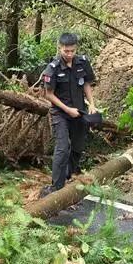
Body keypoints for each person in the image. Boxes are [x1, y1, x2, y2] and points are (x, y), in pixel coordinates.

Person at [42, 32, 98, 192]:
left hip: (80, 111)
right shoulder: (52, 68)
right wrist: (67, 109)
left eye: (72, 51)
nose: (69, 54)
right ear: (60, 48)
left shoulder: (82, 62)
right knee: (62, 147)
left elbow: (86, 83)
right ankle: (56, 187)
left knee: (78, 146)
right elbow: (49, 94)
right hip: (60, 113)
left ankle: (69, 174)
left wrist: (92, 104)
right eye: (66, 51)